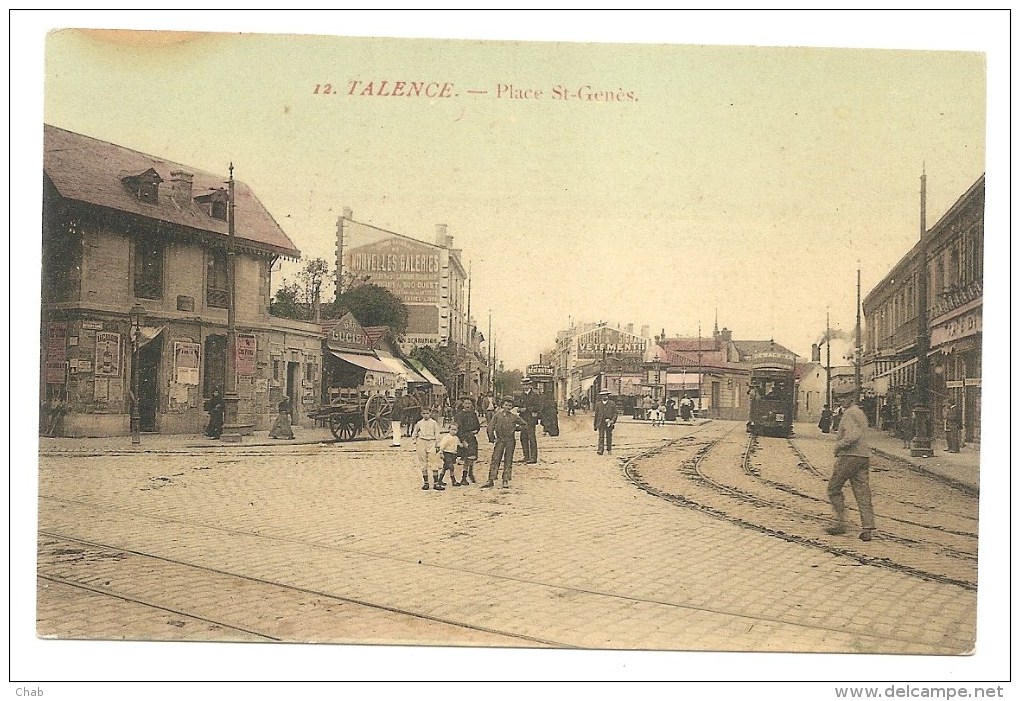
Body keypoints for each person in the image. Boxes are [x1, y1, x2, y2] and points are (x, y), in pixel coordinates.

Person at [825, 389, 876, 541]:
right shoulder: (860, 413)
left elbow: (853, 436)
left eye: (843, 398)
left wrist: (839, 445)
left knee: (833, 488)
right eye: (839, 398)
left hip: (849, 456)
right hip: (863, 456)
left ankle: (840, 523)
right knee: (862, 492)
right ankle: (867, 527)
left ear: (851, 399)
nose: (840, 401)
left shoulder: (849, 413)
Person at [483, 397, 527, 489]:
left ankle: (505, 480)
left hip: (510, 440)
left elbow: (524, 425)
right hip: (500, 440)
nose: (507, 407)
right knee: (495, 459)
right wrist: (491, 437)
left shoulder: (514, 417)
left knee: (508, 459)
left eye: (510, 405)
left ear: (512, 407)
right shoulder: (497, 416)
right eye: (506, 405)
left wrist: (516, 429)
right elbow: (490, 427)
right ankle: (491, 479)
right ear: (502, 405)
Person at [412, 407, 443, 491]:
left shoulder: (433, 423)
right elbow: (414, 432)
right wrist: (415, 441)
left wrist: (437, 444)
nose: (426, 415)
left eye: (427, 413)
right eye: (424, 413)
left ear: (430, 413)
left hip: (431, 442)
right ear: (421, 414)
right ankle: (426, 482)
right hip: (421, 442)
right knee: (423, 462)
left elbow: (437, 433)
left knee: (434, 461)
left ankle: (436, 482)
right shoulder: (419, 423)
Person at [454, 397, 481, 485]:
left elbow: (477, 426)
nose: (467, 405)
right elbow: (458, 429)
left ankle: (470, 472)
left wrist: (476, 430)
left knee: (472, 457)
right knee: (466, 458)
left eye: (469, 404)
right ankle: (464, 477)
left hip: (472, 437)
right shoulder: (459, 415)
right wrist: (463, 440)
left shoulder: (473, 414)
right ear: (463, 404)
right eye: (466, 403)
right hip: (464, 437)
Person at [518, 379, 542, 464]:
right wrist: (519, 409)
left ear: (530, 385)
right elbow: (519, 404)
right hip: (523, 419)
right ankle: (526, 456)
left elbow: (539, 407)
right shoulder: (521, 395)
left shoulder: (535, 395)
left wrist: (527, 409)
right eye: (523, 385)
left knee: (531, 438)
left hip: (531, 419)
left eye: (526, 385)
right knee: (523, 438)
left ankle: (533, 457)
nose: (525, 387)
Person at [593, 389, 619, 455]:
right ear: (601, 396)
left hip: (609, 423)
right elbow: (596, 415)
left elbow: (615, 413)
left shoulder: (612, 403)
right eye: (603, 395)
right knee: (601, 436)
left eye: (606, 395)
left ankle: (609, 449)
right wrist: (595, 425)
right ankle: (600, 450)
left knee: (609, 436)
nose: (605, 397)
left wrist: (612, 421)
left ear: (608, 396)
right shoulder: (598, 404)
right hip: (600, 422)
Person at [437, 423, 462, 488]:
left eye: (455, 430)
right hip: (447, 453)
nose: (454, 431)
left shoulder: (456, 438)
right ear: (449, 429)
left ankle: (440, 480)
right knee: (451, 467)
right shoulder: (447, 437)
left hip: (453, 454)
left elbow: (458, 443)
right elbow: (442, 445)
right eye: (452, 429)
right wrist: (441, 452)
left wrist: (460, 445)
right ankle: (453, 481)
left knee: (445, 467)